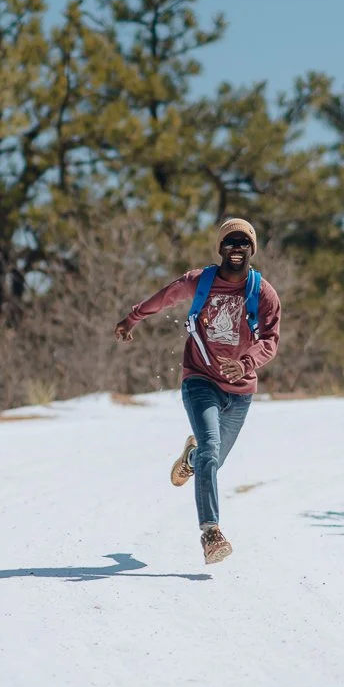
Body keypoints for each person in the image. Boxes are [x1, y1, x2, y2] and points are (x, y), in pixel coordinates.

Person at [114, 218, 281, 564]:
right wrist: (132, 319)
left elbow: (270, 340)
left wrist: (247, 362)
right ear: (220, 248)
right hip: (199, 379)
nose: (237, 248)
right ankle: (211, 532)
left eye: (243, 243)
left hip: (240, 391)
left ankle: (190, 457)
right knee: (211, 448)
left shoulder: (263, 293)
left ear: (252, 249)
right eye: (230, 242)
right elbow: (165, 298)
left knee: (210, 461)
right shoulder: (200, 282)